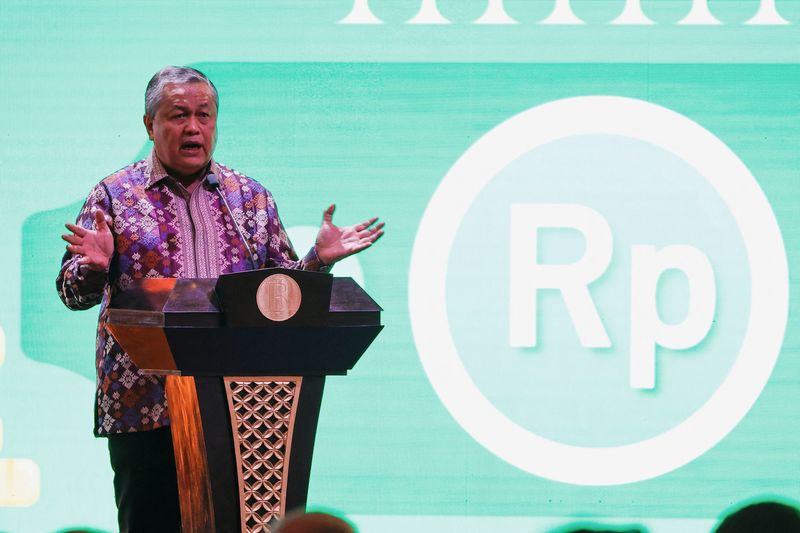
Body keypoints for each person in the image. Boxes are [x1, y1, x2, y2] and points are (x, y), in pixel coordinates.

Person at [56, 66, 383, 532]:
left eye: (204, 115)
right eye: (178, 116)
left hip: (245, 406)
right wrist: (91, 268)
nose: (194, 127)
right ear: (150, 125)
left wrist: (316, 261)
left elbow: (279, 295)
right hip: (147, 404)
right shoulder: (114, 195)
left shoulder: (249, 198)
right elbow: (72, 293)